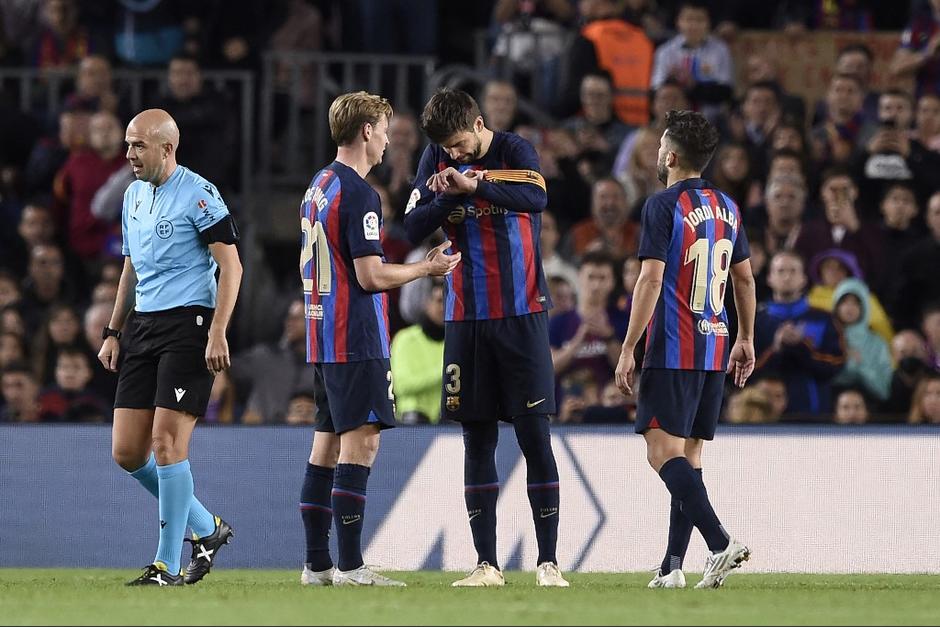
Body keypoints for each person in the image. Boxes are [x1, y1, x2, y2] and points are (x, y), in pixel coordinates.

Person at [404, 88, 569, 587]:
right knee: (477, 439)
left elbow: (536, 197)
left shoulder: (516, 150)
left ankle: (548, 562)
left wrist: (473, 184)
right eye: (447, 149)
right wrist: (446, 196)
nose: (453, 154)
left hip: (522, 313)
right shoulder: (434, 157)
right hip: (465, 317)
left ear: (479, 125)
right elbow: (411, 226)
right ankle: (486, 564)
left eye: (459, 144)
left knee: (534, 435)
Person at [297, 91, 459, 588]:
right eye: (385, 130)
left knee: (325, 447)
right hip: (356, 335)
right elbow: (369, 276)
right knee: (360, 446)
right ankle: (350, 566)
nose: (388, 141)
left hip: (323, 334)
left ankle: (317, 565)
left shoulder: (318, 185)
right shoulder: (360, 193)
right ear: (366, 131)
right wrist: (425, 268)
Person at [97, 109, 242, 587]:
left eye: (139, 145)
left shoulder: (199, 194)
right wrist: (113, 331)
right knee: (127, 452)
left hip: (189, 325)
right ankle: (206, 528)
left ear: (167, 148)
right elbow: (130, 268)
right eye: (128, 144)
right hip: (144, 325)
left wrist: (218, 330)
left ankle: (166, 566)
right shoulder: (133, 195)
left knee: (166, 443)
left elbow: (232, 267)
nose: (130, 154)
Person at [614, 110, 756, 589]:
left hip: (674, 345)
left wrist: (629, 346)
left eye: (660, 147)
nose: (657, 153)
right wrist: (746, 338)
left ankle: (720, 543)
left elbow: (650, 279)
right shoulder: (728, 207)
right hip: (715, 345)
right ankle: (672, 566)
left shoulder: (661, 205)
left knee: (661, 453)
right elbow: (744, 279)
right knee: (688, 458)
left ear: (671, 157)